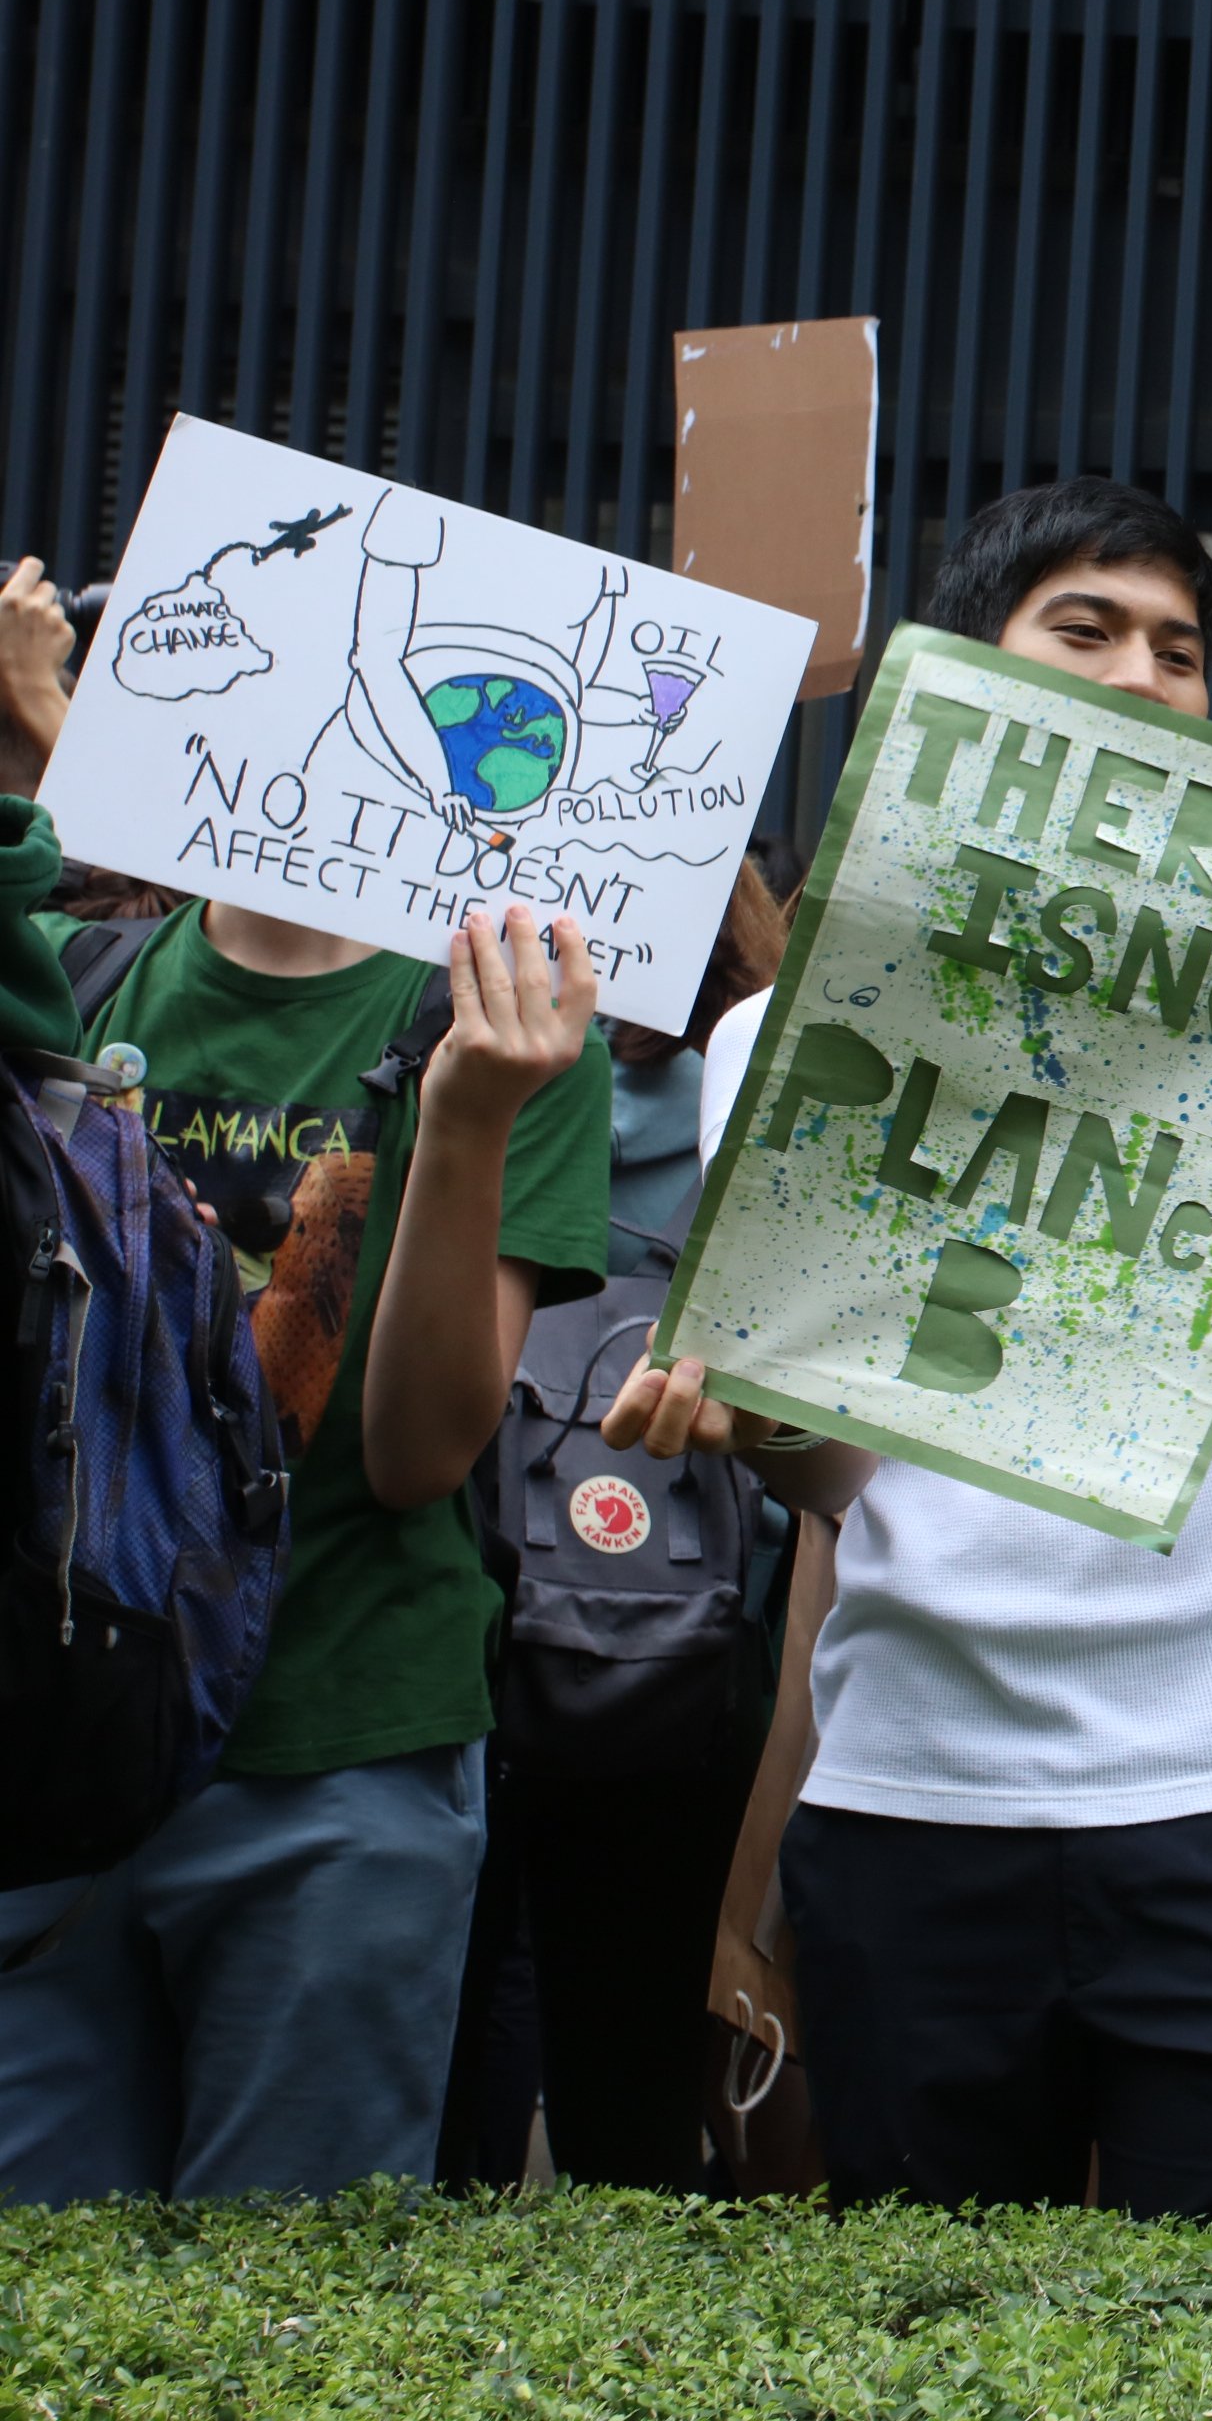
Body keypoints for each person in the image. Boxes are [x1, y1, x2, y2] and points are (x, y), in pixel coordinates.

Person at [595, 477, 1212, 2222]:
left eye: (1182, 648)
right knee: (933, 2333)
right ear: (971, 681)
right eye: (1085, 630)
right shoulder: (790, 1036)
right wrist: (752, 1424)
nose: (1147, 676)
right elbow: (836, 1471)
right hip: (918, 1781)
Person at [0, 836, 615, 2200]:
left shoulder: (502, 1018)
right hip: (54, 1757)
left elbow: (417, 1455)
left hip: (337, 1755)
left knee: (280, 2316)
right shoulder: (72, 978)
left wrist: (461, 1122)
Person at [438, 860, 792, 2193]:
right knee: (632, 2081)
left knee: (443, 2071)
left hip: (462, 1618)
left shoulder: (452, 1086)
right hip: (679, 1650)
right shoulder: (764, 1092)